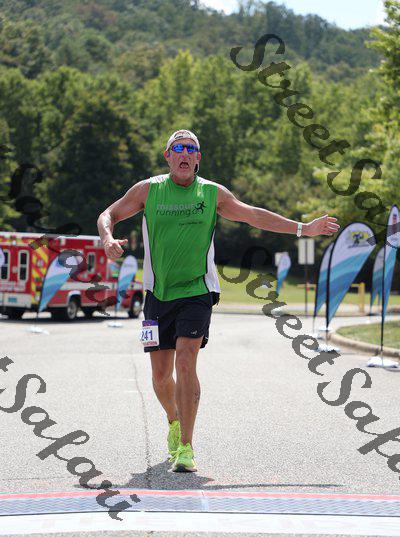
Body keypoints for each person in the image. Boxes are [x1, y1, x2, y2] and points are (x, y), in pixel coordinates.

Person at [97, 129, 340, 473]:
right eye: (178, 148)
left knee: (185, 362)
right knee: (161, 377)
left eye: (191, 149)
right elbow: (108, 214)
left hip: (197, 291)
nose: (184, 153)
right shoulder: (148, 190)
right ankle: (174, 420)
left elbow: (253, 215)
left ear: (198, 158)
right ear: (168, 156)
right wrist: (107, 237)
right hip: (157, 294)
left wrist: (304, 229)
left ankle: (186, 446)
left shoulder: (211, 194)